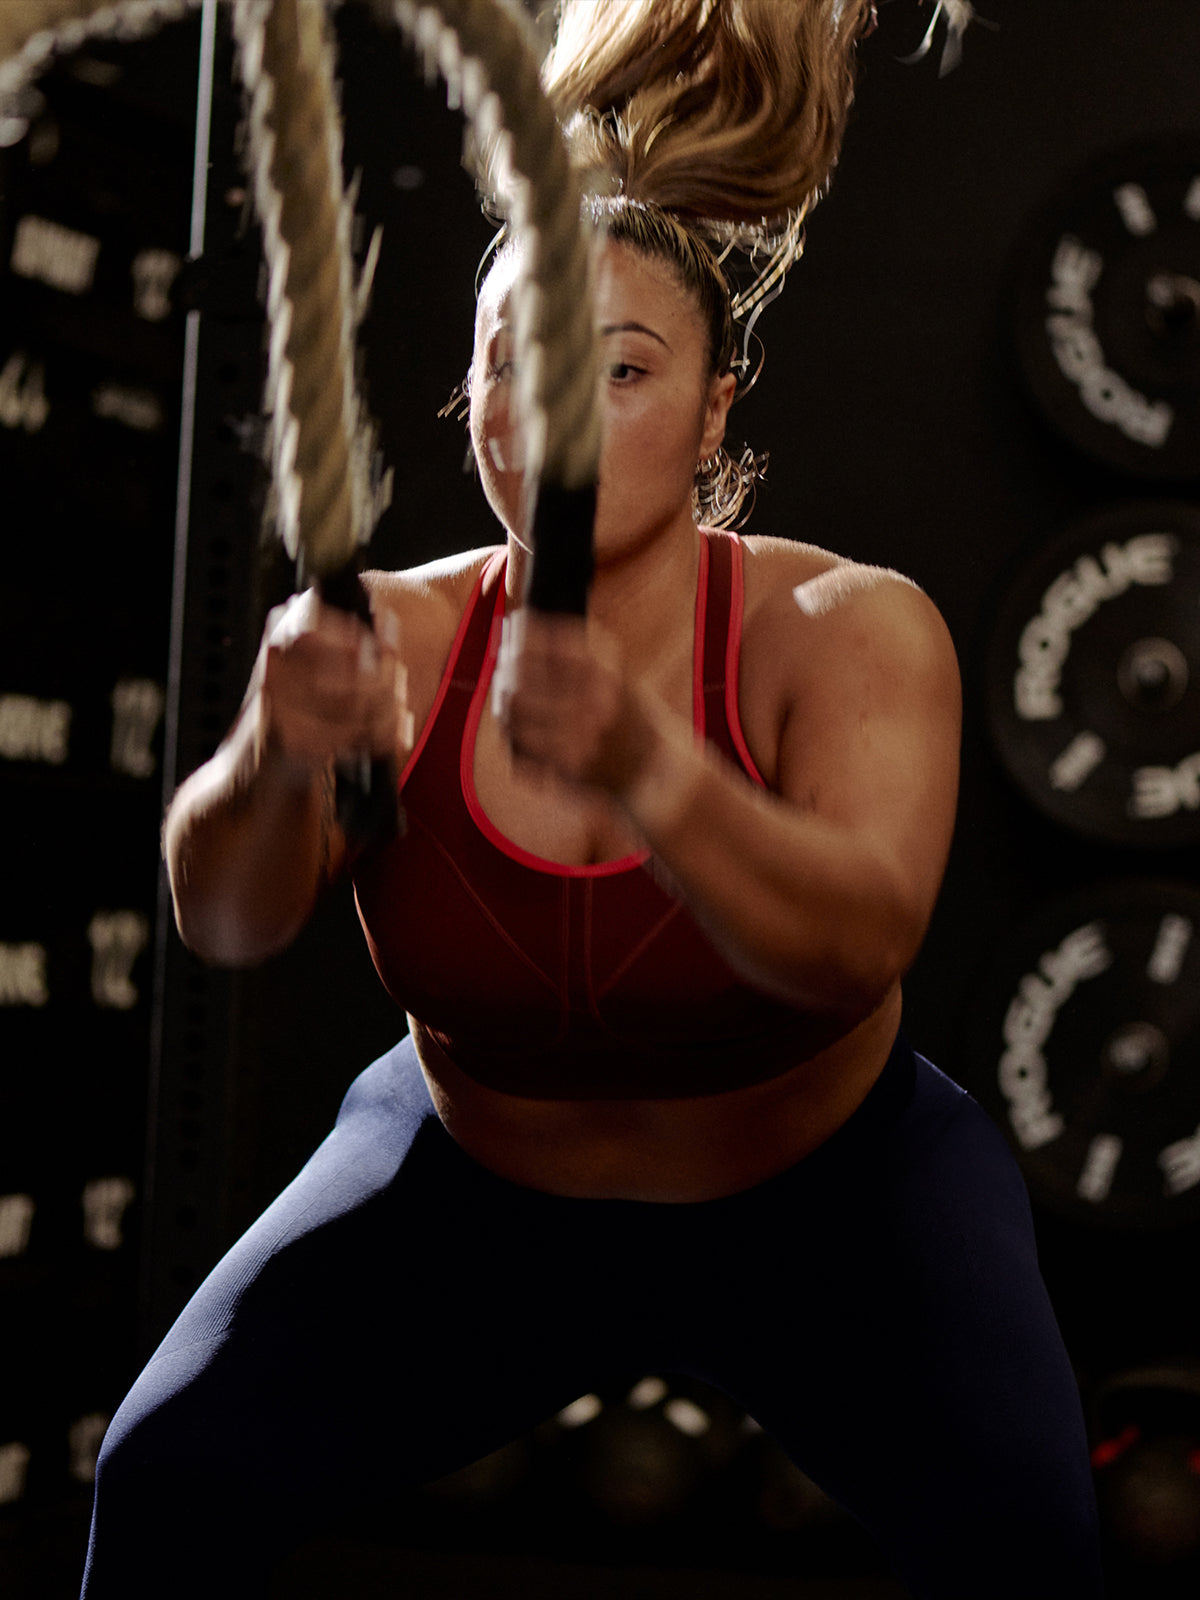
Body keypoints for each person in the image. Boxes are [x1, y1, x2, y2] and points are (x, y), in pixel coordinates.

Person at [81, 2, 1105, 1596]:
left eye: (621, 369)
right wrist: (272, 755)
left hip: (827, 1208)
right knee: (163, 1481)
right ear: (473, 404)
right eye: (516, 365)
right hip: (475, 1199)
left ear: (713, 410)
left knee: (1037, 1551)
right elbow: (221, 918)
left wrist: (650, 769)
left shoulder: (838, 631)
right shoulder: (395, 636)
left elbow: (859, 940)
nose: (556, 408)